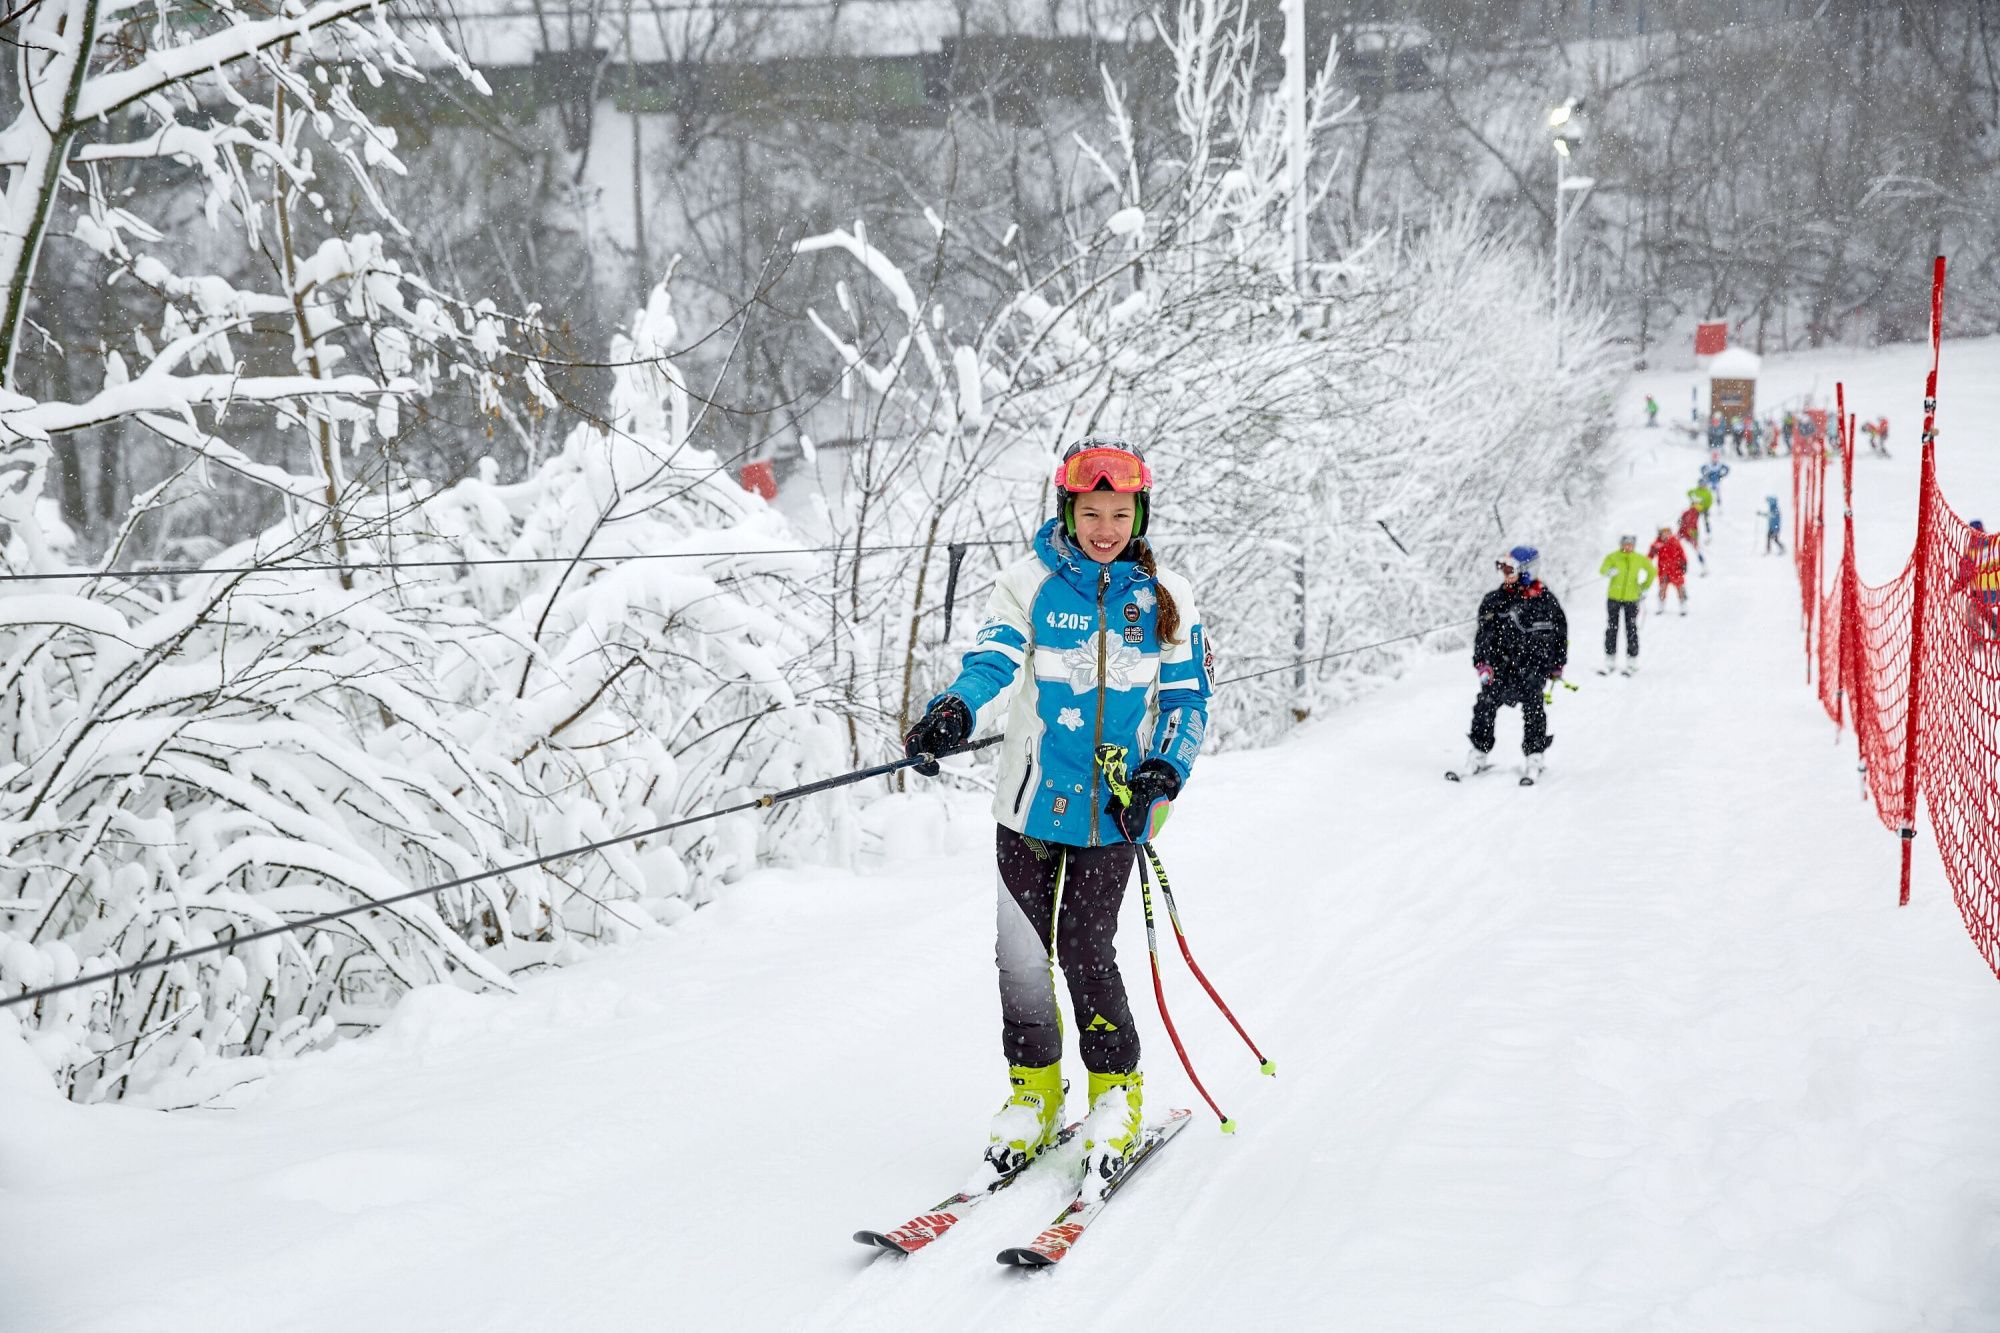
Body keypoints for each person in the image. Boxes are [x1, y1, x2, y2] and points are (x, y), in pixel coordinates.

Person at [902, 438, 1212, 1195]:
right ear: (1067, 510)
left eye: (1118, 512)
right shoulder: (1029, 583)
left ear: (1138, 515)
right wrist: (955, 707)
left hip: (1115, 810)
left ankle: (1115, 1095)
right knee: (1019, 954)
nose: (1103, 526)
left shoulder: (1164, 596)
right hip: (1029, 804)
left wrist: (1161, 770)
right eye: (1089, 511)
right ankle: (1034, 1095)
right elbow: (994, 658)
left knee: (1083, 949)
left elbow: (1187, 701)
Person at [1463, 545, 1568, 782]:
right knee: (1485, 705)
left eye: (1510, 568)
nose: (1505, 573)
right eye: (1502, 567)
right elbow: (1483, 636)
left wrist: (1557, 664)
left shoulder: (1545, 601)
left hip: (1533, 667)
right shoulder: (1494, 601)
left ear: (1526, 570)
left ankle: (1534, 754)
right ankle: (1479, 752)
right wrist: (1482, 663)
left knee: (1534, 709)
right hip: (1500, 667)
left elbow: (1560, 634)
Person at [1598, 534, 1656, 675]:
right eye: (1625, 543)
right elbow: (1603, 569)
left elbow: (1652, 571)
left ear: (1634, 545)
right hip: (1614, 598)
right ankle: (1610, 660)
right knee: (1612, 628)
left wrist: (1643, 588)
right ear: (1621, 544)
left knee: (1631, 628)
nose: (1628, 546)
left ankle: (1632, 661)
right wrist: (1609, 571)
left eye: (1630, 544)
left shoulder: (1639, 558)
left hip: (1632, 599)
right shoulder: (1613, 556)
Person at [1649, 526, 1689, 614]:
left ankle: (1683, 606)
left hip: (1676, 570)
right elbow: (1650, 555)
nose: (1666, 534)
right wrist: (1652, 552)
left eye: (1668, 532)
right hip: (1663, 571)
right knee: (1662, 589)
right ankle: (1661, 606)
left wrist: (1684, 563)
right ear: (1660, 534)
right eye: (1664, 532)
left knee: (1680, 588)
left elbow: (1682, 554)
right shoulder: (1657, 544)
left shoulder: (1675, 542)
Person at [1677, 501, 1707, 576]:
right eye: (1694, 504)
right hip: (1683, 532)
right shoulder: (1687, 512)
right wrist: (1681, 522)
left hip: (1691, 533)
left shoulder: (1696, 512)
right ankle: (1679, 566)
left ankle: (1703, 567)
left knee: (1696, 550)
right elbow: (1680, 521)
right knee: (1676, 547)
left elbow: (1689, 522)